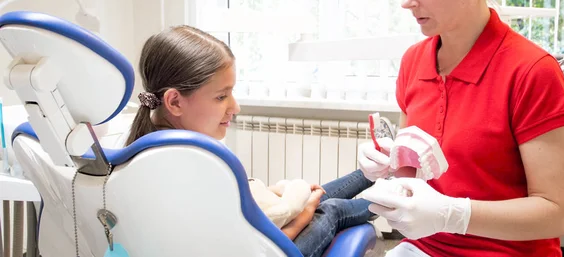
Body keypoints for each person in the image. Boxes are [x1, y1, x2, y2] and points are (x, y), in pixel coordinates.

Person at [357, 0, 564, 256]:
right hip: (423, 248)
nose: (406, 0)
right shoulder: (414, 62)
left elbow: (556, 213)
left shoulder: (532, 72)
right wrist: (390, 164)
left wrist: (456, 215)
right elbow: (413, 175)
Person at [125, 25, 376, 257]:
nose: (236, 107)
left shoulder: (144, 152)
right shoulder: (197, 169)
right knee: (328, 209)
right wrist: (305, 216)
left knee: (316, 194)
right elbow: (253, 250)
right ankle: (396, 198)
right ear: (175, 102)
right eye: (222, 96)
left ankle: (380, 172)